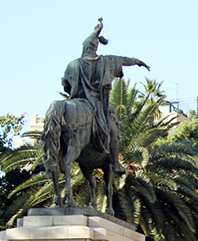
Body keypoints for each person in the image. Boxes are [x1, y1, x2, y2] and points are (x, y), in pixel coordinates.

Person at [61, 18, 149, 175]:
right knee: (114, 129)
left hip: (76, 101)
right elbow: (123, 60)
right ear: (95, 47)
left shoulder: (72, 65)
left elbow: (66, 85)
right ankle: (115, 163)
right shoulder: (105, 61)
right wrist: (137, 62)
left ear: (84, 48)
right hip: (96, 104)